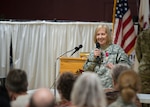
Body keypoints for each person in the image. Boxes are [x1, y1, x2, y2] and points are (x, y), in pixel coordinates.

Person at [83, 24, 131, 88]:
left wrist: (115, 68)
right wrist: (94, 59)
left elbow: (127, 67)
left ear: (108, 35)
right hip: (96, 90)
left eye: (103, 34)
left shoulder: (117, 49)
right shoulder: (93, 52)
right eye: (98, 34)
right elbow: (86, 70)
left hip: (112, 90)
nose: (100, 37)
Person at [135, 28, 150, 94]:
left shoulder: (143, 34)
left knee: (144, 98)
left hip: (144, 69)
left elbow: (138, 53)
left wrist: (144, 61)